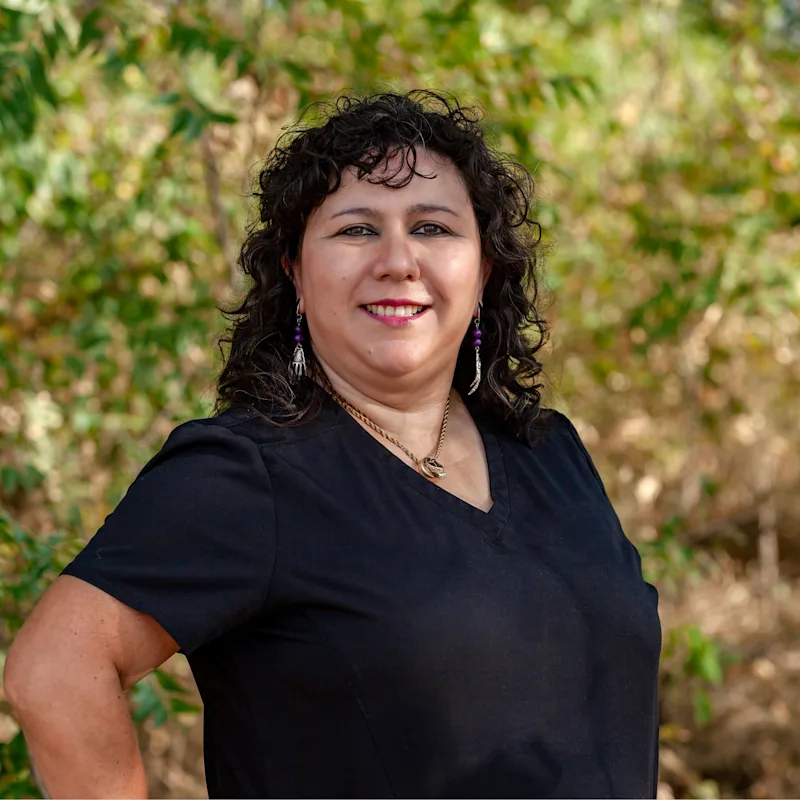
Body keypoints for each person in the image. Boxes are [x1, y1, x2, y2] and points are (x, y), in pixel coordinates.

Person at [4, 90, 661, 799]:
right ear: (295, 271)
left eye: (435, 228)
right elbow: (55, 672)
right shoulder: (249, 475)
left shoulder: (549, 452)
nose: (399, 260)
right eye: (356, 230)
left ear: (484, 271)